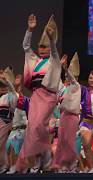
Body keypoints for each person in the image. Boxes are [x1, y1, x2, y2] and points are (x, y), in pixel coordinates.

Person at [16, 14, 61, 173]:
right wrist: (30, 29)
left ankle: (45, 161)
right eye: (41, 46)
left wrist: (51, 39)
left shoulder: (53, 60)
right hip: (36, 97)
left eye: (46, 46)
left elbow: (55, 52)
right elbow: (26, 46)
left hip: (47, 97)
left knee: (38, 127)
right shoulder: (35, 61)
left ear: (50, 47)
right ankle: (41, 161)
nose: (42, 49)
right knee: (33, 129)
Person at [52, 53, 81, 172]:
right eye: (68, 75)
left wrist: (65, 69)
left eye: (73, 76)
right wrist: (60, 67)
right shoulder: (63, 88)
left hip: (73, 117)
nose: (70, 78)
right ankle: (63, 164)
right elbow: (55, 79)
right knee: (62, 141)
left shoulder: (77, 86)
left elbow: (72, 80)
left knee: (69, 140)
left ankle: (72, 164)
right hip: (63, 116)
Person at [0, 68, 18, 173]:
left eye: (3, 87)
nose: (2, 89)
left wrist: (7, 81)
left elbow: (13, 92)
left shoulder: (10, 96)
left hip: (6, 122)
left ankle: (4, 166)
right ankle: (4, 165)